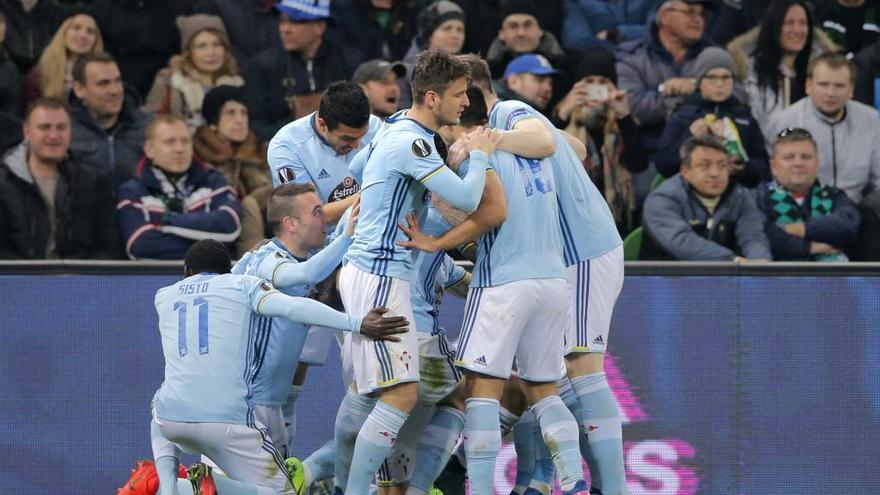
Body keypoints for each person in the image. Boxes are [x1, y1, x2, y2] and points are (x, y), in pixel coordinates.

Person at [397, 85, 591, 495]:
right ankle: (572, 479)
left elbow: (485, 213)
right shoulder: (540, 147)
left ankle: (480, 489)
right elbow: (575, 148)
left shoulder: (473, 151)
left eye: (450, 127)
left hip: (505, 278)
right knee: (543, 389)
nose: (446, 138)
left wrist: (436, 241)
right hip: (554, 279)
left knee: (481, 391)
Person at [462, 53, 628, 495]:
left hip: (583, 249)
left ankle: (614, 488)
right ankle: (541, 480)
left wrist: (489, 141)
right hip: (560, 258)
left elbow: (552, 144)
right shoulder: (514, 124)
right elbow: (576, 147)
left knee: (581, 366)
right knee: (544, 373)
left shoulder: (509, 114)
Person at [337, 49, 497, 495]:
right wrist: (480, 153)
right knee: (400, 396)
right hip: (380, 275)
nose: (466, 102)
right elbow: (466, 198)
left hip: (377, 274)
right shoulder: (412, 142)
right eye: (459, 94)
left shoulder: (393, 129)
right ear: (432, 97)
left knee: (383, 396)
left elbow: (354, 167)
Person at [148, 238, 409, 495]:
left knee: (157, 411)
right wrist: (357, 323)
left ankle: (169, 487)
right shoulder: (243, 286)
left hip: (171, 418)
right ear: (228, 269)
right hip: (228, 421)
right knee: (285, 492)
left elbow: (208, 286)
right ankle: (214, 488)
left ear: (186, 271)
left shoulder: (163, 296)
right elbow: (294, 307)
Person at [0, 97, 120, 259]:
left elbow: (108, 247)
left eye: (61, 127)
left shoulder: (92, 182)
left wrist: (79, 276)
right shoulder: (4, 184)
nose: (54, 135)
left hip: (80, 281)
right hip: (19, 281)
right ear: (26, 132)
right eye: (44, 127)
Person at [116, 115, 243, 260]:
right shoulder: (133, 191)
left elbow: (229, 225)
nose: (179, 149)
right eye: (170, 142)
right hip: (154, 281)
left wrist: (165, 223)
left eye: (185, 141)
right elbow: (139, 245)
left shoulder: (214, 181)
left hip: (212, 279)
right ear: (149, 149)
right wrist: (211, 248)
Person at [552, 47, 649, 233]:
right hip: (569, 211)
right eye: (589, 82)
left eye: (602, 82)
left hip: (612, 214)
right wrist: (564, 113)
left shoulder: (622, 120)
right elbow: (547, 150)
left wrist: (624, 116)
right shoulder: (560, 116)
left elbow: (639, 164)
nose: (595, 88)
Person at [766, 52, 880, 204]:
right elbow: (776, 179)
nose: (830, 93)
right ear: (808, 86)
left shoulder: (871, 119)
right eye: (823, 84)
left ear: (851, 90)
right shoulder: (783, 121)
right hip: (802, 210)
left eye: (839, 86)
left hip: (859, 209)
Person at [653, 47, 770, 188]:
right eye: (712, 77)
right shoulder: (682, 115)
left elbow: (764, 168)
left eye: (726, 77)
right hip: (689, 193)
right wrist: (689, 137)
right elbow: (664, 165)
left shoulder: (745, 118)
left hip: (738, 194)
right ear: (699, 81)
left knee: (775, 200)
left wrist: (742, 166)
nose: (719, 84)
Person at [642, 135, 772, 261]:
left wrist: (759, 263)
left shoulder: (739, 195)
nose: (714, 174)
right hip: (666, 279)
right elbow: (683, 242)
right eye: (704, 165)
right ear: (685, 171)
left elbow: (753, 237)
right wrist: (732, 261)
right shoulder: (662, 199)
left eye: (722, 166)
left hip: (725, 279)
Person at [244, 0, 360, 140]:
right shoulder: (262, 66)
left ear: (320, 26)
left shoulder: (350, 62)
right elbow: (256, 122)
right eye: (282, 21)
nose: (285, 29)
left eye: (295, 22)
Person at [615, 0, 713, 153]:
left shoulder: (714, 55)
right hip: (651, 152)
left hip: (708, 151)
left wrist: (696, 85)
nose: (698, 19)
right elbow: (631, 107)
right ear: (663, 16)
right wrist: (690, 96)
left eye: (701, 14)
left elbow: (738, 95)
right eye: (689, 12)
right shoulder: (632, 57)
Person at [727, 0, 837, 136]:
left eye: (803, 23)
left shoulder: (822, 73)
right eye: (789, 23)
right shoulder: (748, 73)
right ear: (774, 26)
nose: (797, 30)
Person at [753, 127, 860, 261]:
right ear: (773, 167)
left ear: (817, 164)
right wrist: (809, 247)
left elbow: (848, 226)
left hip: (835, 279)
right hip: (777, 279)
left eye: (806, 157)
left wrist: (798, 229)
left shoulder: (834, 195)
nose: (798, 163)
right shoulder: (757, 197)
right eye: (789, 157)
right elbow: (758, 236)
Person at [144, 14, 243, 133]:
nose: (211, 52)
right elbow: (150, 122)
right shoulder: (169, 80)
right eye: (202, 46)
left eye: (217, 44)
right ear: (189, 51)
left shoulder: (237, 84)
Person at [69, 52, 151, 186]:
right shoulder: (65, 132)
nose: (114, 91)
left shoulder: (147, 127)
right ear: (79, 89)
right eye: (103, 84)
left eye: (117, 81)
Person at [24, 13, 103, 106]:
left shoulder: (104, 73)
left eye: (90, 31)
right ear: (64, 33)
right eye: (76, 28)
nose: (83, 35)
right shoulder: (40, 73)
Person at [485, 0, 568, 83]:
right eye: (513, 26)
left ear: (540, 30)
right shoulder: (486, 73)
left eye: (528, 25)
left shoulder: (567, 66)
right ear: (501, 34)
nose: (521, 33)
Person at [330, 0, 419, 63]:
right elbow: (340, 49)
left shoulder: (410, 8)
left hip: (400, 76)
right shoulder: (343, 8)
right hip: (359, 75)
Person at [561, 0, 658, 51]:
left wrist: (616, 34)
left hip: (651, 60)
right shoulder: (576, 2)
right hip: (605, 67)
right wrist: (621, 54)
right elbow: (576, 42)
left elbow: (659, 30)